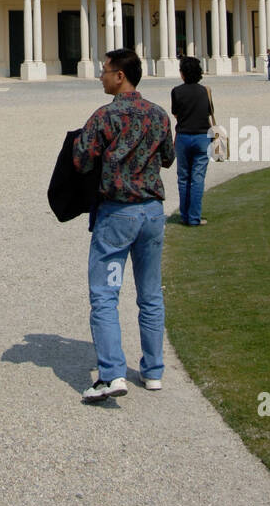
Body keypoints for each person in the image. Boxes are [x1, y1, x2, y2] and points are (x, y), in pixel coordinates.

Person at [73, 49, 174, 401]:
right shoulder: (159, 114)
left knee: (105, 293)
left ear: (120, 76)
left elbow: (81, 161)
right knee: (150, 294)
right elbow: (168, 158)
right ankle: (153, 371)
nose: (100, 76)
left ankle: (112, 373)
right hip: (152, 214)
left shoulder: (105, 116)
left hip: (118, 214)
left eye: (105, 70)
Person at [170, 56, 212, 227]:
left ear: (182, 73)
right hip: (202, 136)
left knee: (183, 178)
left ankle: (184, 215)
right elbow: (209, 112)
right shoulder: (205, 91)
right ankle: (194, 217)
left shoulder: (176, 91)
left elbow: (175, 113)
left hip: (183, 136)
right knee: (197, 178)